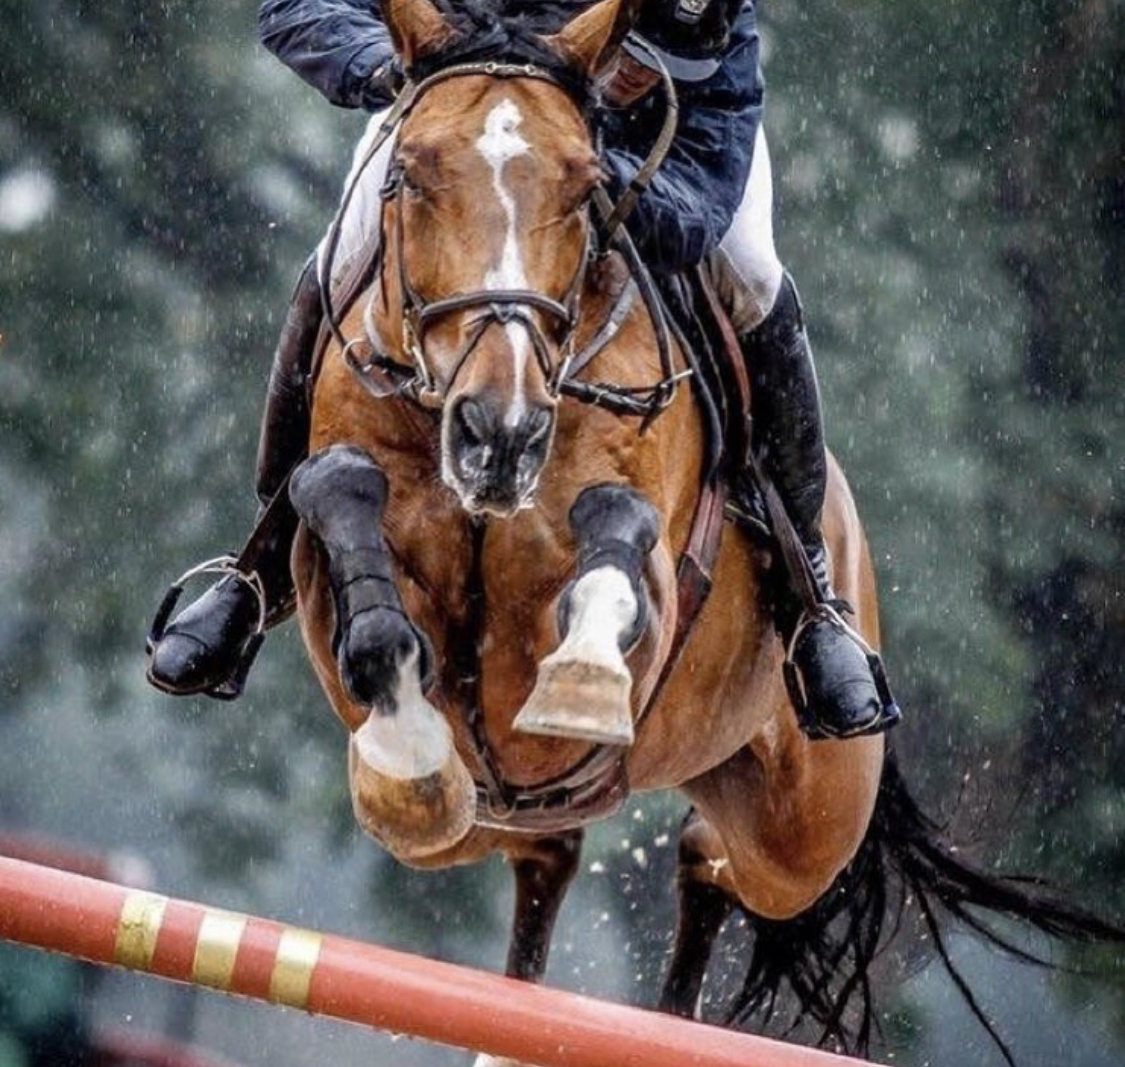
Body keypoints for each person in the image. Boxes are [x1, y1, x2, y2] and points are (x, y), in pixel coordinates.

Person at [146, 0, 899, 739]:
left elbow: (697, 209)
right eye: (626, 61)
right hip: (454, 112)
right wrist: (389, 67)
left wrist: (585, 182)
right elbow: (294, 8)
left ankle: (811, 603)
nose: (629, 73)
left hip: (641, 152)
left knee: (754, 275)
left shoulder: (695, 37)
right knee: (335, 256)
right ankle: (258, 570)